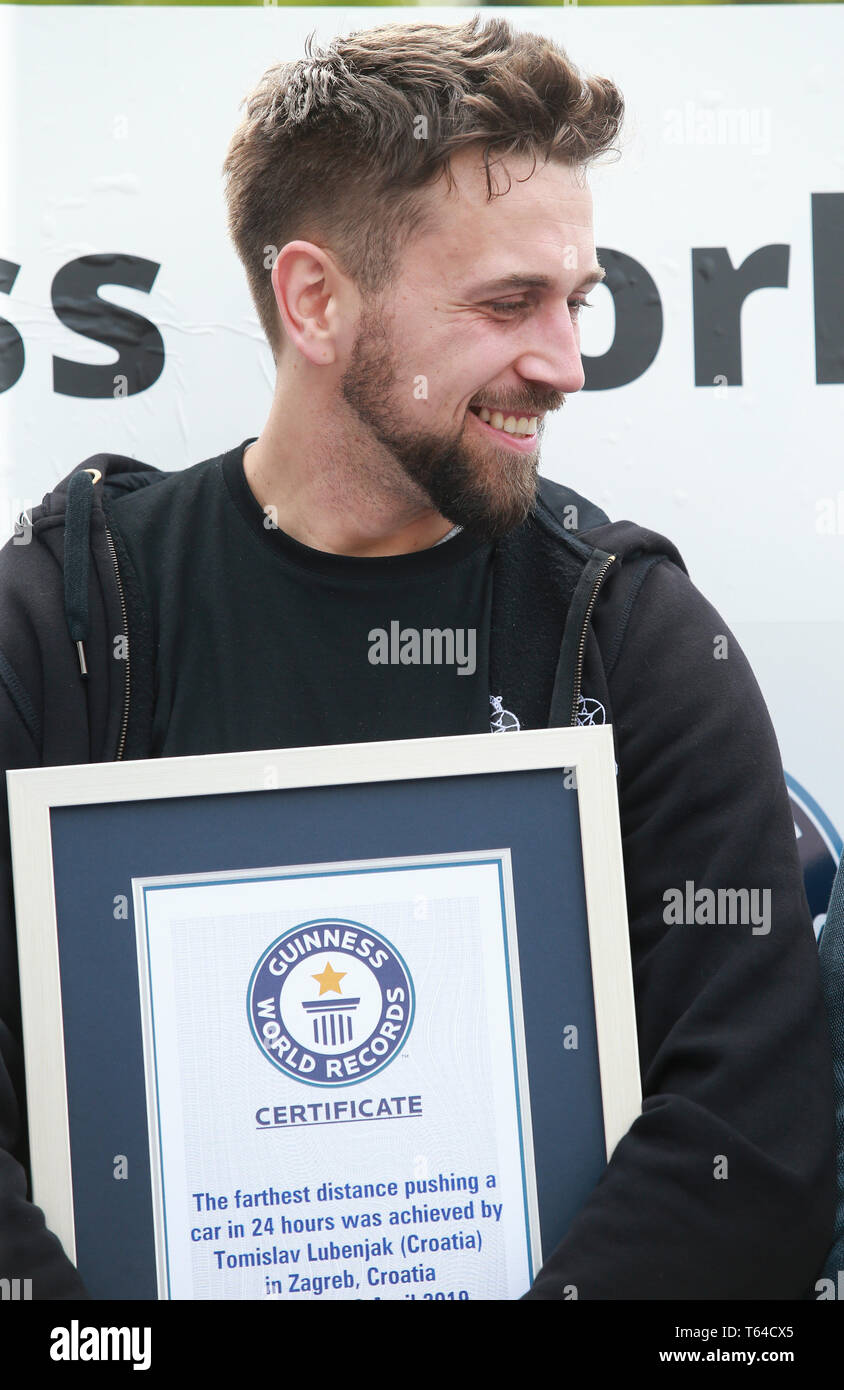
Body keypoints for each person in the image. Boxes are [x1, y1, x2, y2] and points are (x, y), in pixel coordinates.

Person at [0, 15, 835, 1300]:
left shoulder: (631, 634)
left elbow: (752, 1144)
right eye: (510, 303)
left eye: (579, 303)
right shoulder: (59, 626)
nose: (562, 364)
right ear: (316, 298)